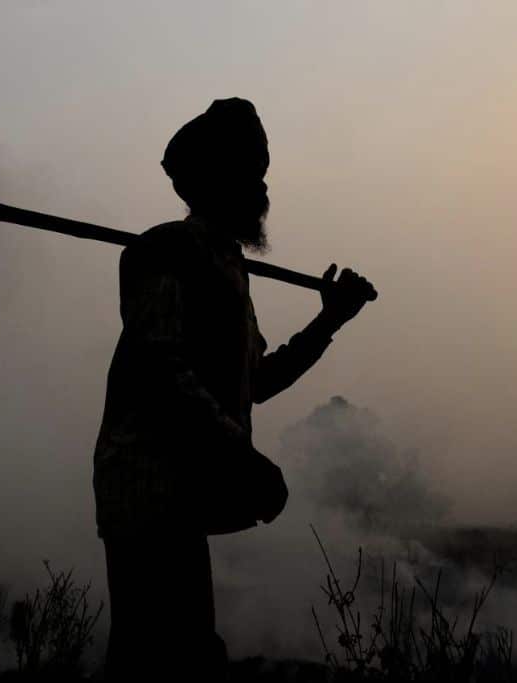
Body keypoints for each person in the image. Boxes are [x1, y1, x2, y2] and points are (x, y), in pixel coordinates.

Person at [92, 97, 376, 681]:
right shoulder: (162, 251)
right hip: (144, 486)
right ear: (214, 180)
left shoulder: (228, 270)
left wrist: (330, 320)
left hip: (185, 490)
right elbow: (160, 370)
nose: (262, 188)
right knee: (161, 657)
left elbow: (258, 382)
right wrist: (241, 456)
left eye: (262, 173)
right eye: (251, 174)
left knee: (187, 653)